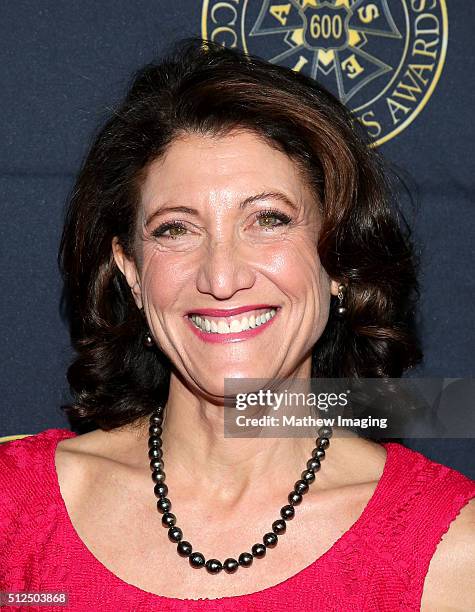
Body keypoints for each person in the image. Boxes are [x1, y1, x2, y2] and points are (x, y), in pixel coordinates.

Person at [1, 37, 474, 611]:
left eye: (268, 220)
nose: (221, 277)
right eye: (176, 228)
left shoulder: (451, 548)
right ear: (131, 269)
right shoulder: (15, 512)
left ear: (339, 261)